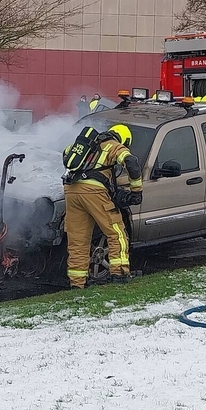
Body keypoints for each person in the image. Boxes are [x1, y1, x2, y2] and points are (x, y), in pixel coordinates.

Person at [63, 123, 143, 288]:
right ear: (124, 139)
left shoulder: (89, 145)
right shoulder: (113, 146)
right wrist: (136, 191)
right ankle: (119, 274)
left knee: (78, 241)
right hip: (94, 192)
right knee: (116, 233)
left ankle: (77, 283)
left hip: (71, 191)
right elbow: (131, 162)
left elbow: (66, 154)